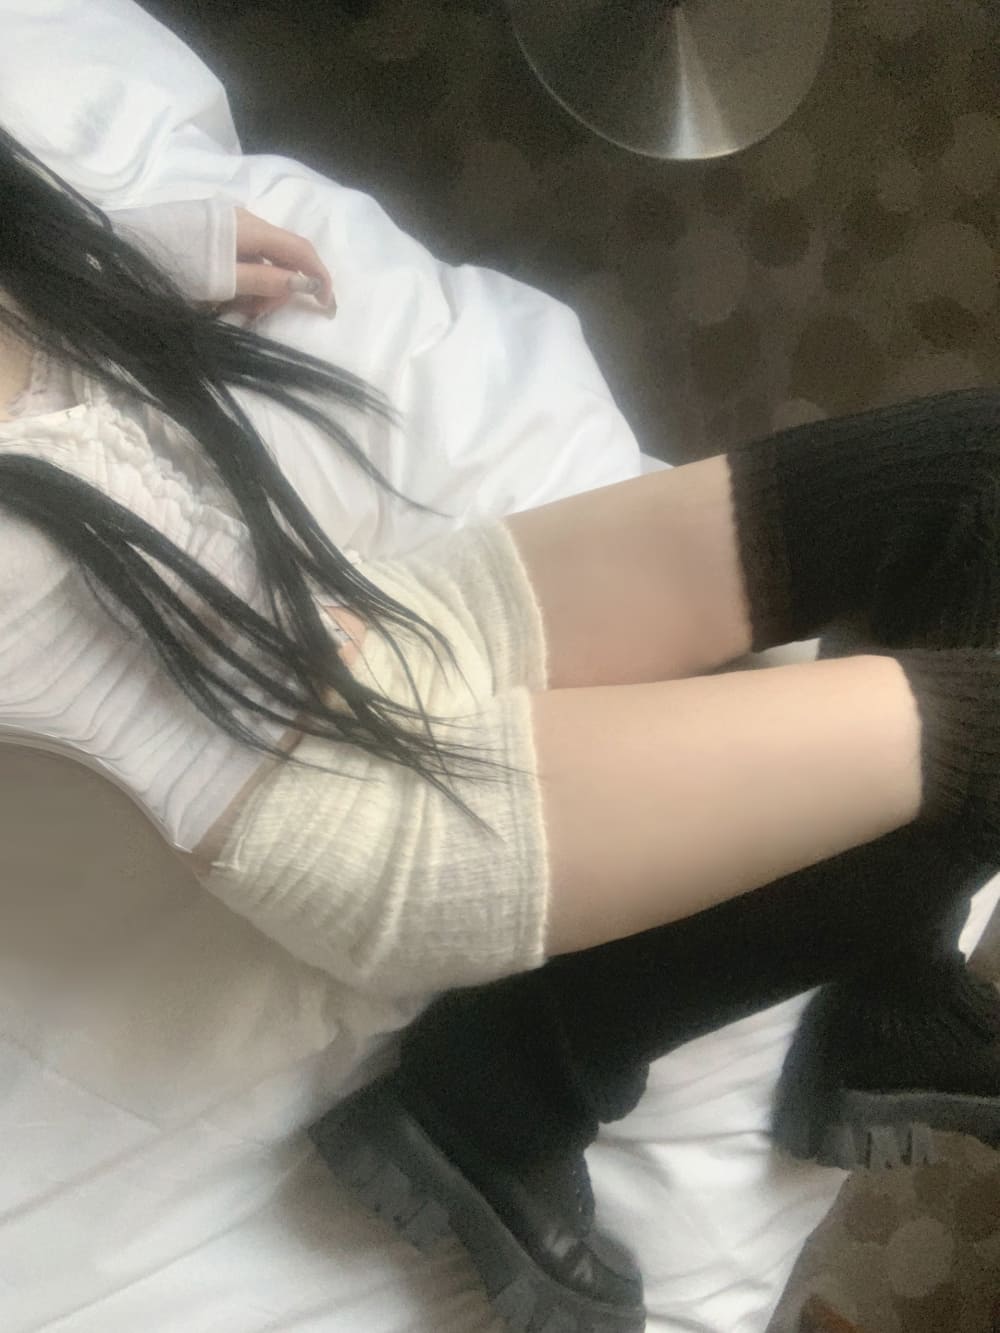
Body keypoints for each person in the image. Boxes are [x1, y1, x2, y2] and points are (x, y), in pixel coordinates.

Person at [2, 124, 1000, 1333]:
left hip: (398, 625)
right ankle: (517, 1075)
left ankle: (882, 970)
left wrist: (106, 274)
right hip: (358, 810)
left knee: (981, 479)